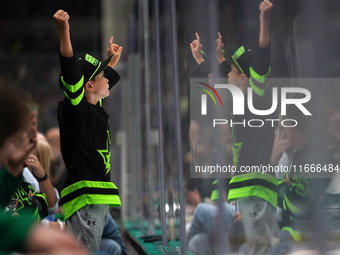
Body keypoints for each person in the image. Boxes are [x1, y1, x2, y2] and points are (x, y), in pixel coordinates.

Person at [53, 10, 122, 251]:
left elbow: (104, 83)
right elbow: (72, 71)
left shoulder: (95, 104)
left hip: (96, 199)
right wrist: (64, 32)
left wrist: (110, 61)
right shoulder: (78, 110)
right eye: (103, 75)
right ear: (88, 85)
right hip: (85, 198)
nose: (109, 78)